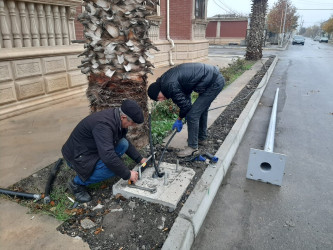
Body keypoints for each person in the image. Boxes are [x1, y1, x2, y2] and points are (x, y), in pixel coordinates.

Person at [62, 99, 147, 203]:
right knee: (112, 169)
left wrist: (140, 159)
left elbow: (121, 141)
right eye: (132, 123)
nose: (132, 125)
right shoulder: (104, 125)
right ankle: (77, 184)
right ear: (123, 117)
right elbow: (107, 156)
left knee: (123, 143)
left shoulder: (116, 118)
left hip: (91, 149)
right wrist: (127, 174)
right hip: (78, 156)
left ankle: (103, 166)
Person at [148, 63, 225, 157]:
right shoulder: (165, 80)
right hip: (212, 78)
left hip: (213, 83)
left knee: (193, 115)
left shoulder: (169, 86)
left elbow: (186, 107)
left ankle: (192, 148)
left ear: (158, 91)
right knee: (200, 110)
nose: (161, 100)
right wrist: (186, 111)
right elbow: (186, 94)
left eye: (158, 98)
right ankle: (201, 138)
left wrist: (179, 119)